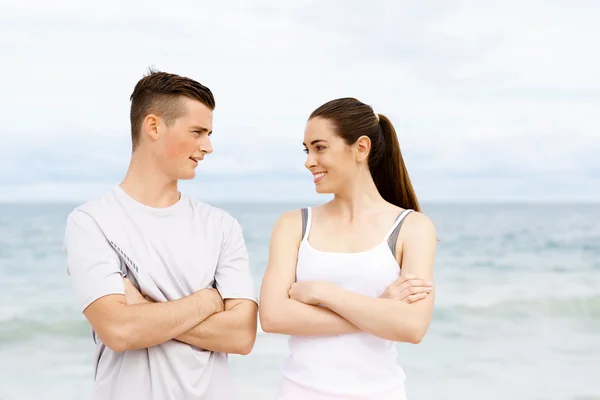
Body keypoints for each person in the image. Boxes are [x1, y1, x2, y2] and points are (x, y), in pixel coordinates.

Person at [63, 69, 258, 400]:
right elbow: (120, 330)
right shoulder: (91, 222)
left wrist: (146, 308)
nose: (207, 146)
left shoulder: (221, 225)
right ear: (153, 126)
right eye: (197, 132)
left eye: (209, 133)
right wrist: (208, 300)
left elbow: (241, 335)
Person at [259, 97, 437, 400]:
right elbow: (273, 316)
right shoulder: (293, 225)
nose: (308, 161)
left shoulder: (412, 227)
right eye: (307, 150)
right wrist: (379, 309)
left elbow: (412, 327)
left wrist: (322, 293)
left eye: (319, 147)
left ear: (361, 148)